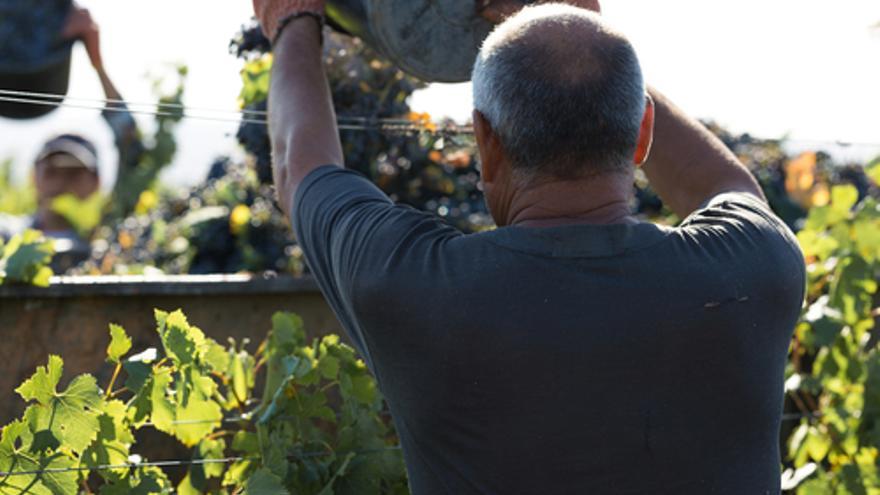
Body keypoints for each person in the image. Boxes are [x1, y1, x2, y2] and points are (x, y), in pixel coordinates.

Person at [254, 0, 806, 492]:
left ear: (486, 143)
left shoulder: (409, 284)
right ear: (642, 133)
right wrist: (578, 25)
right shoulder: (755, 267)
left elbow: (300, 164)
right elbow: (726, 186)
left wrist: (294, 19)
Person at [0, 6, 142, 253]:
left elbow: (132, 150)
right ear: (34, 178)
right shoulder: (9, 239)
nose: (63, 183)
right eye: (52, 172)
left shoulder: (109, 241)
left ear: (97, 182)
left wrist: (97, 65)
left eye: (75, 173)